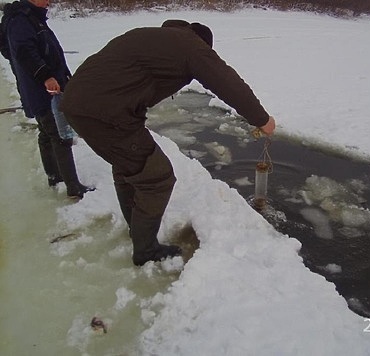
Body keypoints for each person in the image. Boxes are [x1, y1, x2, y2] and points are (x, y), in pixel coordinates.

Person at [61, 19, 276, 266]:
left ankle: (137, 229)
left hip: (79, 103)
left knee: (128, 167)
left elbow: (126, 81)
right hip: (106, 113)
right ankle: (145, 250)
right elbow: (225, 80)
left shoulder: (155, 38)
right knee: (157, 178)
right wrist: (262, 119)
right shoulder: (190, 45)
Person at [3, 0, 92, 199]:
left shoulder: (30, 17)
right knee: (59, 135)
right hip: (42, 90)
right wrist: (46, 76)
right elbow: (24, 52)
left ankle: (54, 176)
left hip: (41, 88)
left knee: (46, 133)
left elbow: (44, 51)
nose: (50, 1)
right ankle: (73, 187)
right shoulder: (21, 20)